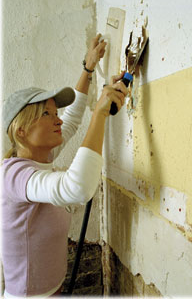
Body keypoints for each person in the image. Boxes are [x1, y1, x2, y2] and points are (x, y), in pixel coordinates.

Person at [1, 34, 128, 298]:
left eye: (55, 112)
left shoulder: (40, 160)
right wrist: (100, 113)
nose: (57, 120)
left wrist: (88, 67)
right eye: (46, 114)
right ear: (21, 131)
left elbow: (70, 120)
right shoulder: (13, 175)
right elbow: (77, 188)